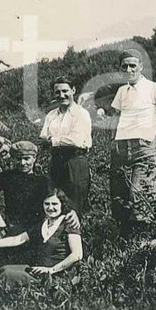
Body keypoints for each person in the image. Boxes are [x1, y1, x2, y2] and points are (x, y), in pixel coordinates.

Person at [0, 141, 79, 285]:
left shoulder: (43, 181)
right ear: (13, 159)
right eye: (18, 159)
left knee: (19, 258)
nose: (23, 163)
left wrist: (72, 212)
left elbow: (60, 201)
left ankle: (3, 282)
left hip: (32, 232)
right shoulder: (6, 176)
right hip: (8, 228)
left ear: (34, 158)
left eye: (27, 158)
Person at [109, 49, 156, 239]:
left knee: (140, 198)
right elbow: (116, 119)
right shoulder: (122, 91)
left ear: (141, 66)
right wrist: (113, 142)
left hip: (143, 148)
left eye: (133, 65)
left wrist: (153, 145)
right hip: (120, 150)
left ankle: (143, 247)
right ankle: (123, 249)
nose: (129, 69)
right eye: (125, 66)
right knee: (120, 201)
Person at [0, 188, 83, 304]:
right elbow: (18, 239)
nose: (50, 208)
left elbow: (77, 255)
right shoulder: (42, 225)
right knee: (3, 270)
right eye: (47, 204)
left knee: (7, 274)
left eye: (55, 204)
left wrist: (51, 270)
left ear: (62, 205)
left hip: (55, 276)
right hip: (37, 272)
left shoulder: (69, 224)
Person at [39, 76, 93, 213]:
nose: (61, 95)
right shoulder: (51, 115)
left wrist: (53, 140)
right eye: (57, 92)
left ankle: (75, 234)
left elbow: (76, 140)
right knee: (53, 203)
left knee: (74, 206)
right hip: (56, 161)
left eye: (65, 91)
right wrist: (60, 139)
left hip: (75, 162)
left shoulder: (81, 114)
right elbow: (43, 136)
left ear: (73, 90)